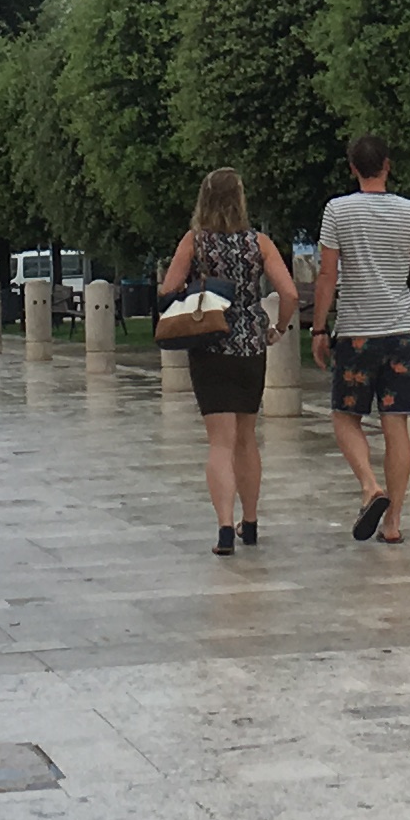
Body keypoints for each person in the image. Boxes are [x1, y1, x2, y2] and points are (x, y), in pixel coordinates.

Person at [311, 134, 410, 543]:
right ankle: (394, 523)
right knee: (396, 424)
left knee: (345, 416)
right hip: (400, 330)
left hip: (356, 332)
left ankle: (370, 486)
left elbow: (328, 274)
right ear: (387, 164)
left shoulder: (337, 210)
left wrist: (318, 327)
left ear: (353, 168)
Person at [165, 169, 302, 554]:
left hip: (209, 346)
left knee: (219, 444)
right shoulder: (259, 243)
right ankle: (252, 521)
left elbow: (167, 288)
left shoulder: (194, 243)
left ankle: (225, 528)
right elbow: (288, 292)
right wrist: (277, 327)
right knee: (247, 438)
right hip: (250, 347)